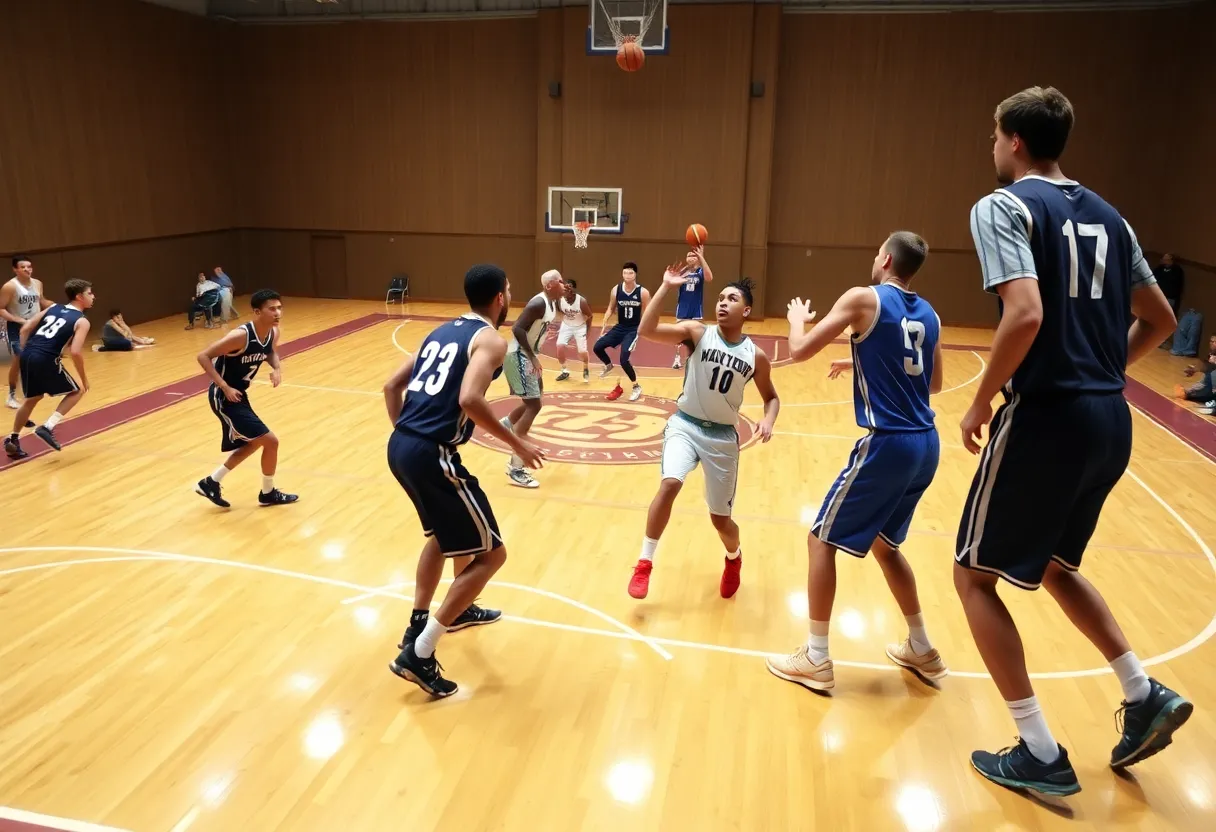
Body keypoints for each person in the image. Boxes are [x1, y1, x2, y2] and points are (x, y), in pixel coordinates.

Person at [955, 86, 1187, 797]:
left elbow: (1023, 312)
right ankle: (1142, 691)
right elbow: (1163, 319)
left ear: (1014, 141)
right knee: (1055, 564)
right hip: (1108, 420)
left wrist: (980, 396)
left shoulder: (1003, 205)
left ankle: (1038, 750)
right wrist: (1106, 367)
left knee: (972, 577)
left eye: (994, 136)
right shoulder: (1112, 218)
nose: (992, 148)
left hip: (1048, 416)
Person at [765, 232, 947, 693]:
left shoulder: (863, 298)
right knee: (887, 547)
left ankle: (816, 657)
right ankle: (922, 647)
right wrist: (861, 362)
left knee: (819, 539)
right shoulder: (932, 314)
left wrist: (796, 320)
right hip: (927, 444)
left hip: (889, 444)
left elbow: (800, 350)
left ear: (885, 258)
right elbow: (935, 382)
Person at [383, 264, 544, 697]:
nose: (510, 296)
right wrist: (518, 444)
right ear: (499, 299)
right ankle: (420, 651)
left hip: (400, 446)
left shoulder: (439, 333)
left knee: (441, 536)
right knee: (492, 555)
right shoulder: (490, 339)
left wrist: (409, 433)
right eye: (509, 290)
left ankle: (430, 618)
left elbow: (390, 386)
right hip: (430, 453)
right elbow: (470, 399)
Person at [628, 269, 778, 600]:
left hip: (723, 438)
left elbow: (772, 398)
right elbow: (647, 329)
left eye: (732, 299)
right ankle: (644, 562)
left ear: (746, 311)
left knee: (721, 521)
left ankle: (733, 558)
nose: (723, 303)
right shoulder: (697, 332)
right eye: (721, 298)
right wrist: (665, 286)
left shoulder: (755, 356)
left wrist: (768, 420)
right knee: (670, 484)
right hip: (684, 424)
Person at [193, 290, 298, 508]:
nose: (278, 312)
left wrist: (277, 368)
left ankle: (211, 482)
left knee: (255, 442)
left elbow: (270, 351)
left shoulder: (273, 332)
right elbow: (203, 356)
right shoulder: (240, 336)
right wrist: (225, 386)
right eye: (272, 308)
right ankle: (267, 493)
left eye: (279, 308)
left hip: (240, 394)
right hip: (224, 397)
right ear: (257, 312)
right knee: (270, 441)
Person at [3, 279, 94, 460]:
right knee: (77, 391)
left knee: (32, 398)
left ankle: (13, 439)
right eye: (90, 293)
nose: (93, 296)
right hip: (46, 357)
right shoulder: (82, 321)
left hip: (28, 354)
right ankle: (48, 427)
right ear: (79, 296)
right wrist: (84, 378)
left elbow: (26, 328)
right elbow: (75, 352)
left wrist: (24, 351)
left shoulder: (53, 308)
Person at [499, 270, 564, 488]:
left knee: (535, 400)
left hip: (526, 355)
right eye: (560, 282)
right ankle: (516, 467)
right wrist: (532, 357)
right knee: (534, 405)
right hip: (519, 355)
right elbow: (517, 328)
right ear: (549, 286)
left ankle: (508, 424)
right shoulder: (538, 303)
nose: (564, 284)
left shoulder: (553, 303)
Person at [1, 255, 52, 409]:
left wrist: (56, 306)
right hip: (17, 327)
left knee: (38, 356)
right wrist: (20, 320)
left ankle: (33, 388)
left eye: (29, 266)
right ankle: (10, 395)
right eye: (23, 267)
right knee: (19, 360)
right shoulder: (10, 287)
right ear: (15, 269)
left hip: (35, 325)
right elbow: (1, 309)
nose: (27, 269)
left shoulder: (37, 284)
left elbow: (42, 301)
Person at [594, 262, 649, 402]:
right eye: (625, 273)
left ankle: (636, 386)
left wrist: (643, 329)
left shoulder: (642, 292)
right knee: (597, 347)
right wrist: (604, 323)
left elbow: (648, 312)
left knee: (624, 359)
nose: (627, 275)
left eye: (630, 273)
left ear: (635, 274)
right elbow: (610, 308)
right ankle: (608, 365)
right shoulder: (616, 289)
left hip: (633, 329)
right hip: (620, 327)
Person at [672, 247, 714, 369]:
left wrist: (701, 256)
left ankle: (694, 357)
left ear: (698, 258)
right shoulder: (682, 272)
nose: (691, 257)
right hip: (683, 309)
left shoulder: (701, 272)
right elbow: (672, 284)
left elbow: (709, 278)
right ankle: (677, 358)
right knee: (678, 336)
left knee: (696, 336)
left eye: (694, 255)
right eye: (689, 255)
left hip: (696, 309)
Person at [555, 278, 593, 383]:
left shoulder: (581, 301)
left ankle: (585, 367)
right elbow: (559, 311)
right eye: (565, 289)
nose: (566, 291)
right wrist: (563, 319)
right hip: (566, 325)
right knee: (559, 346)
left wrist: (588, 330)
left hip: (580, 326)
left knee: (582, 351)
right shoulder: (560, 299)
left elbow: (590, 316)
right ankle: (564, 370)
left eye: (569, 288)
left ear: (573, 290)